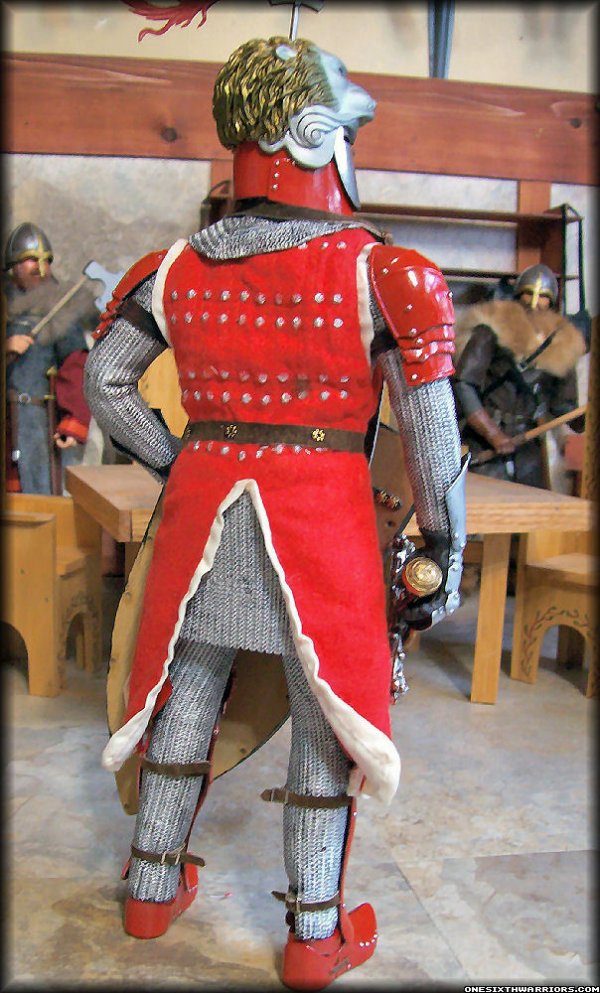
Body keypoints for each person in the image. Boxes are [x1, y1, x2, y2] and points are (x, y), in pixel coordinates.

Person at [84, 34, 467, 991]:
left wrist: (178, 460)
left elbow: (106, 382)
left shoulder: (173, 266)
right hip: (322, 528)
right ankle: (312, 935)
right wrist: (444, 540)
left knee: (187, 693)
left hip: (202, 518)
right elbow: (431, 435)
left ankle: (149, 887)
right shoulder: (385, 273)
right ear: (314, 134)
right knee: (323, 717)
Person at [452, 263, 586, 488]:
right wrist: (492, 433)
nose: (534, 303)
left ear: (552, 303)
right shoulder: (491, 329)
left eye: (542, 297)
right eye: (529, 294)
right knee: (485, 499)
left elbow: (562, 406)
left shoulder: (561, 342)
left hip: (527, 443)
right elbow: (464, 384)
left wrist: (584, 419)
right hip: (484, 441)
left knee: (531, 502)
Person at [3, 222, 96, 494]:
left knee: (36, 494)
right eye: (31, 259)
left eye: (45, 261)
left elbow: (75, 365)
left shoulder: (58, 310)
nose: (40, 267)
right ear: (13, 265)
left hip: (36, 421)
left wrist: (73, 420)